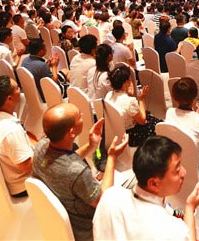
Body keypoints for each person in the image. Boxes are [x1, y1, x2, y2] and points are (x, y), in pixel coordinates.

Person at [32, 103, 129, 241]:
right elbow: (103, 200)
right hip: (87, 227)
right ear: (72, 132)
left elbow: (65, 160)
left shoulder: (41, 146)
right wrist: (112, 157)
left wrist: (91, 145)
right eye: (79, 116)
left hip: (65, 215)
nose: (82, 115)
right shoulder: (77, 172)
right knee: (133, 180)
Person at [93, 135, 199, 241]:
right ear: (153, 183)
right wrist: (190, 207)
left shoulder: (110, 196)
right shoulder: (173, 230)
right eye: (177, 170)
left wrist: (112, 156)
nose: (184, 172)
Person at [0, 76, 33, 197]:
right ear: (9, 98)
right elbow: (26, 166)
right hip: (24, 185)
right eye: (17, 88)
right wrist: (47, 154)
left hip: (11, 177)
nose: (20, 90)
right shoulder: (10, 130)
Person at [104, 64, 160, 147]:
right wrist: (141, 99)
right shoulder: (130, 101)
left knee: (150, 116)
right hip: (131, 135)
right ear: (125, 82)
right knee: (158, 124)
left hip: (116, 132)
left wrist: (129, 94)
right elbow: (142, 121)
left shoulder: (108, 95)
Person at [165, 77, 199, 172]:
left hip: (179, 160)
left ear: (174, 97)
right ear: (195, 96)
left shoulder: (169, 112)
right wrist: (198, 116)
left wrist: (196, 115)